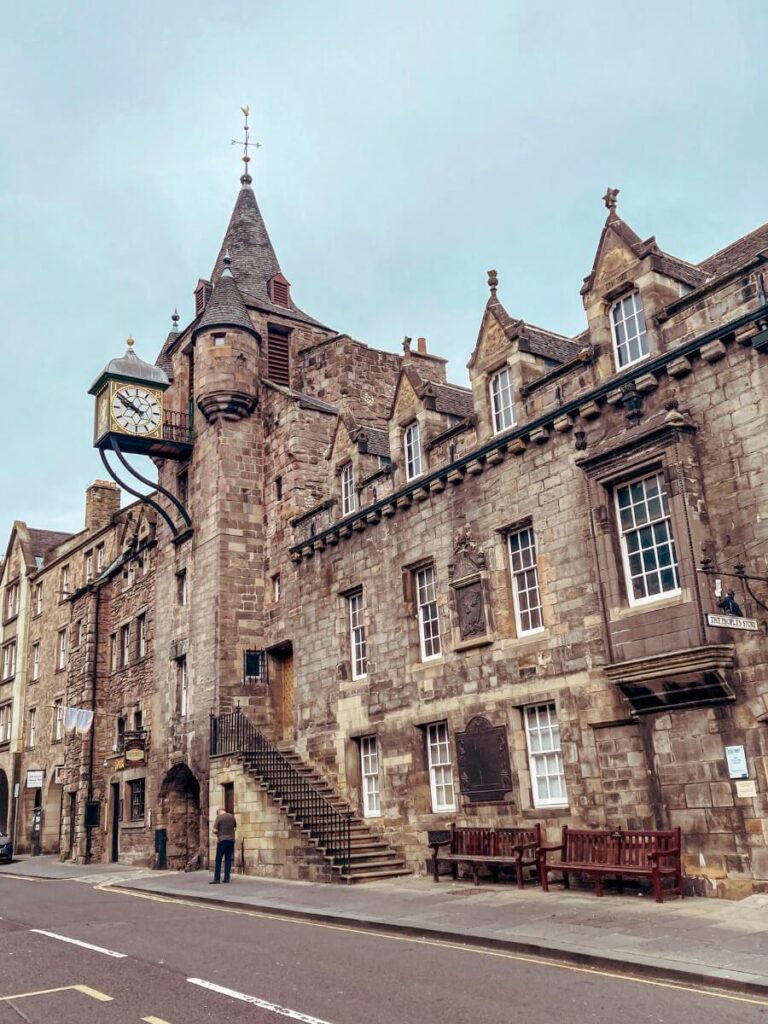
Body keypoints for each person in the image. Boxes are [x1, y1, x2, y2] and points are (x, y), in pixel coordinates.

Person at [210, 805, 237, 884]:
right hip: (231, 840)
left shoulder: (219, 817)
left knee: (218, 859)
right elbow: (235, 828)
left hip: (222, 840)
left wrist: (219, 833)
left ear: (219, 811)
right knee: (228, 859)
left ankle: (217, 879)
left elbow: (214, 830)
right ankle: (226, 878)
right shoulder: (232, 817)